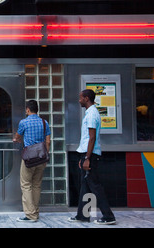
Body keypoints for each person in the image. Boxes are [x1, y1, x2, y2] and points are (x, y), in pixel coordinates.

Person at [68, 89, 116, 225]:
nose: (79, 100)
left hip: (91, 155)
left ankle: (108, 216)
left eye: (81, 98)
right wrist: (83, 156)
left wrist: (87, 158)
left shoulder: (91, 115)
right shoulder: (90, 113)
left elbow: (92, 137)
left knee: (95, 186)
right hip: (87, 153)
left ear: (87, 98)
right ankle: (82, 215)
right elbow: (87, 139)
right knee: (85, 186)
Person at [14, 100, 51, 222]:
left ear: (28, 110)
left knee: (26, 185)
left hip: (29, 159)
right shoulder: (44, 122)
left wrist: (16, 139)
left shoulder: (24, 122)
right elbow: (48, 141)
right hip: (41, 157)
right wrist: (46, 156)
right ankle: (35, 212)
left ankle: (30, 215)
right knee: (36, 185)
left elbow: (17, 137)